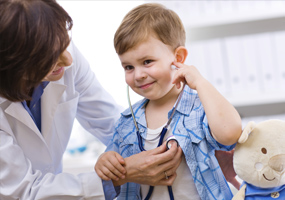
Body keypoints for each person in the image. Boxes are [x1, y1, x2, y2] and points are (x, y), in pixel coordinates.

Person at [0, 1, 183, 199]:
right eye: (50, 59)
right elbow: (23, 192)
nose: (68, 60)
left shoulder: (58, 50)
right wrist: (117, 174)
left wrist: (165, 144)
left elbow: (113, 124)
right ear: (15, 66)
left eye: (64, 42)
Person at [95, 3, 242, 200]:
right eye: (128, 67)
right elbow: (111, 164)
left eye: (147, 62)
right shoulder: (126, 121)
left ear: (178, 57)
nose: (138, 75)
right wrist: (104, 162)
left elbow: (230, 133)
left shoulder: (199, 108)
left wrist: (200, 83)